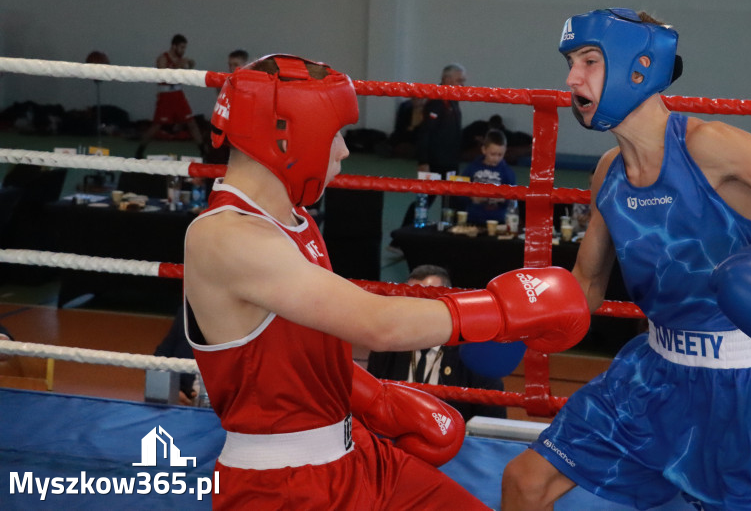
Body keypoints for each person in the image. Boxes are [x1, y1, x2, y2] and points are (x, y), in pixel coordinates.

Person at [183, 54, 590, 509]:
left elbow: (299, 342)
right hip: (283, 487)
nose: (343, 150)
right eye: (334, 133)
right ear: (287, 134)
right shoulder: (226, 236)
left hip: (359, 456)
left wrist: (373, 397)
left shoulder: (293, 222)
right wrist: (504, 309)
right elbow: (376, 324)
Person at [501, 8, 751, 511]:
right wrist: (503, 319)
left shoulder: (708, 146)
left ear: (638, 67)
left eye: (589, 61)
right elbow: (586, 283)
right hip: (648, 376)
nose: (571, 78)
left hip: (733, 388)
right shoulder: (608, 172)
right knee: (525, 481)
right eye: (569, 62)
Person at [367, 265, 508, 422]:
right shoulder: (387, 347)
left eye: (427, 300)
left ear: (449, 303)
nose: (418, 309)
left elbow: (490, 424)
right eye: (411, 300)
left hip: (459, 441)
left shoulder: (474, 354)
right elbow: (371, 408)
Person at [135, 34, 205, 158]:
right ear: (174, 46)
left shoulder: (181, 60)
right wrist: (180, 64)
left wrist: (190, 65)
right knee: (157, 125)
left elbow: (185, 75)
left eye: (185, 48)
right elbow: (164, 76)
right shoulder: (163, 58)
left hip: (178, 94)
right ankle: (140, 150)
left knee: (191, 122)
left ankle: (203, 150)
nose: (183, 51)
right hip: (166, 96)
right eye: (181, 47)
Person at [416, 63, 467, 178]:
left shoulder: (453, 100)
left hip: (451, 161)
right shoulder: (436, 101)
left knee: (453, 194)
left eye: (463, 81)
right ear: (447, 80)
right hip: (434, 162)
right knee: (425, 196)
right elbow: (425, 132)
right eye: (459, 81)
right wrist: (423, 162)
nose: (463, 85)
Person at [461, 129, 517, 226]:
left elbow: (513, 199)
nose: (496, 158)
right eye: (493, 154)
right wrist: (471, 197)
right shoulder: (472, 168)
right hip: (473, 218)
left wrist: (502, 199)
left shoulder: (507, 172)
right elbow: (460, 190)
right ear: (484, 150)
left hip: (497, 220)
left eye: (500, 155)